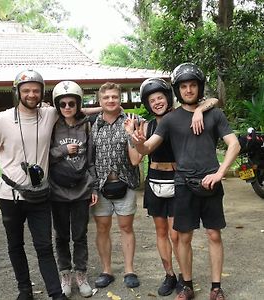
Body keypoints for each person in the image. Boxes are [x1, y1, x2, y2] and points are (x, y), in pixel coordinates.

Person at [131, 63, 240, 300]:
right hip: (182, 184)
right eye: (184, 86)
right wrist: (138, 141)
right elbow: (148, 148)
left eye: (193, 85)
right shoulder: (170, 120)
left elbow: (234, 144)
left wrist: (220, 173)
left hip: (211, 182)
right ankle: (186, 285)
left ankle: (216, 287)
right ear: (177, 90)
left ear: (199, 87)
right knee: (183, 236)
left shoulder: (215, 114)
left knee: (213, 235)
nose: (188, 90)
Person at [0, 69, 67, 300]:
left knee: (44, 246)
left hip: (40, 195)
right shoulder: (2, 119)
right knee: (15, 246)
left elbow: (75, 111)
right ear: (17, 92)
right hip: (10, 196)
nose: (31, 94)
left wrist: (109, 107)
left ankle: (56, 293)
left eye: (36, 90)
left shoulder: (49, 113)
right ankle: (25, 290)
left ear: (42, 92)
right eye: (26, 90)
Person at [49, 81, 98, 298]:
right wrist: (62, 150)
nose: (67, 107)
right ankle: (65, 274)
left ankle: (81, 274)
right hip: (57, 190)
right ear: (57, 105)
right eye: (63, 103)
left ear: (78, 104)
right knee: (61, 236)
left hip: (81, 189)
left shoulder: (86, 125)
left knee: (80, 235)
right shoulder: (50, 125)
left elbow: (91, 160)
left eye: (72, 103)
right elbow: (43, 155)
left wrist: (94, 186)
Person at [90, 82, 142, 289]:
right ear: (100, 101)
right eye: (106, 98)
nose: (111, 100)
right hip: (100, 184)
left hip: (125, 182)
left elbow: (137, 159)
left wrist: (132, 134)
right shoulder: (92, 123)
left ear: (120, 99)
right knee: (102, 228)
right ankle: (106, 270)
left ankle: (129, 270)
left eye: (114, 97)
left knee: (126, 227)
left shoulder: (132, 121)